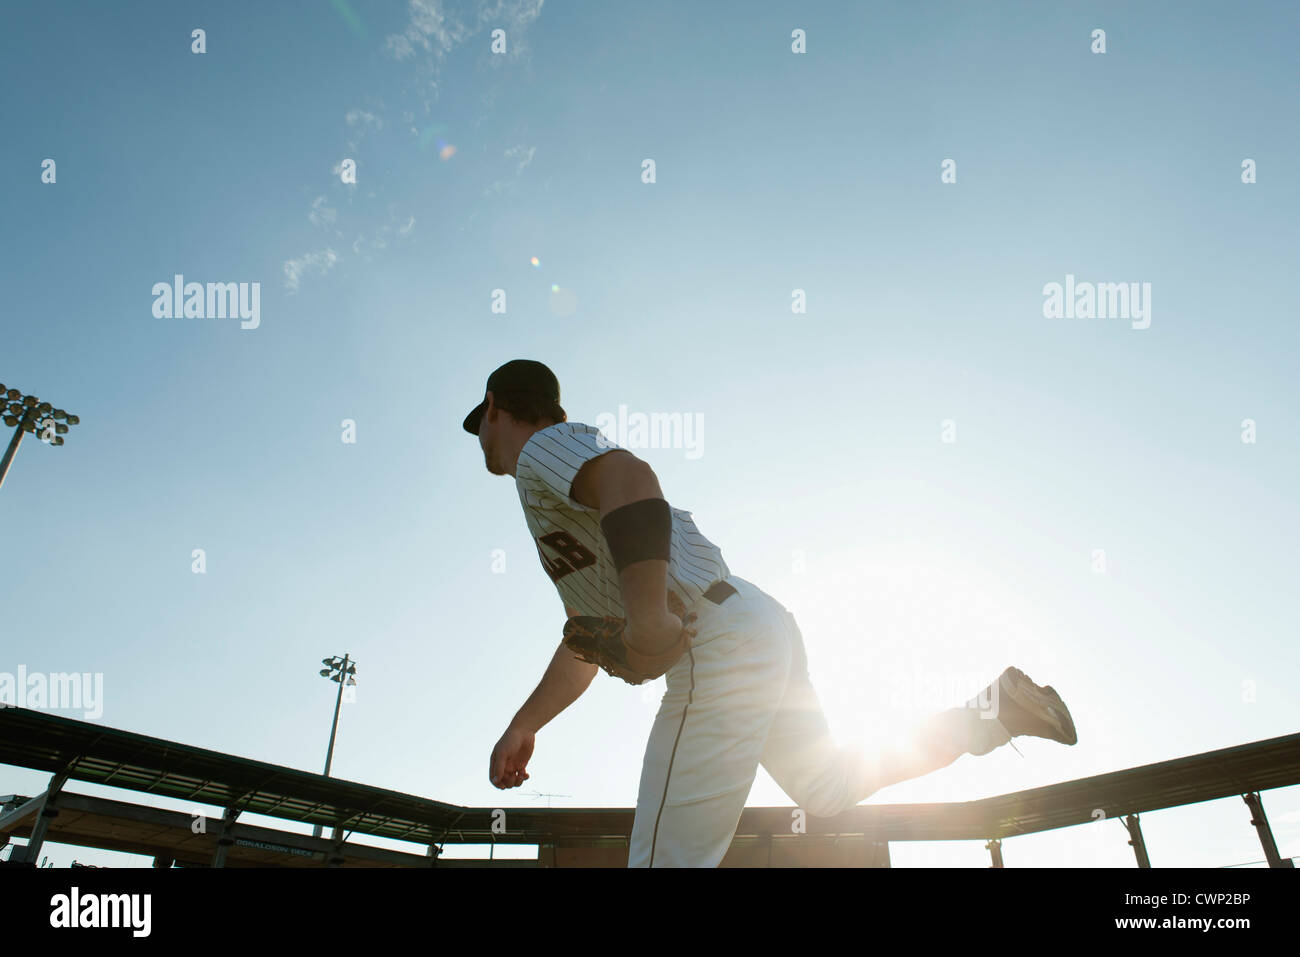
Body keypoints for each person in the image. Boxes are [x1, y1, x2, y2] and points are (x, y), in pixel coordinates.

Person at [466, 359, 1078, 867]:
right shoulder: (553, 500)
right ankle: (996, 713)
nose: (481, 441)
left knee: (663, 862)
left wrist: (649, 614)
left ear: (496, 404)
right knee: (827, 787)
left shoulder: (542, 448)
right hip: (753, 622)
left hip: (715, 640)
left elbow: (631, 476)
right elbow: (586, 642)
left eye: (481, 426)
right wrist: (528, 723)